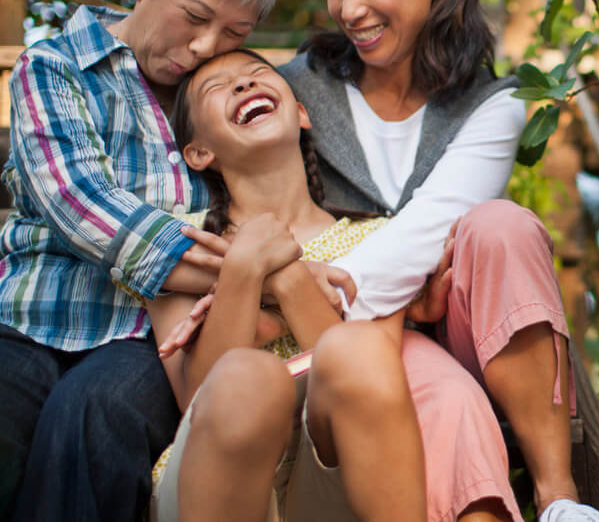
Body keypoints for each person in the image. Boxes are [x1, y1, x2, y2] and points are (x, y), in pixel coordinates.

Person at [277, 0, 599, 522]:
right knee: (435, 386)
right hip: (346, 349)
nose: (349, 10)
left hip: (457, 330)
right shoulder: (300, 90)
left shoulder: (493, 105)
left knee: (501, 226)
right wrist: (401, 299)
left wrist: (358, 279)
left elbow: (434, 226)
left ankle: (558, 498)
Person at [0, 0, 281, 521]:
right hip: (27, 318)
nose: (205, 47)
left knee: (98, 414)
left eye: (235, 34)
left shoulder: (213, 100)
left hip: (147, 334)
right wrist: (257, 273)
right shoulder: (55, 66)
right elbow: (80, 204)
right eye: (195, 16)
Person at [150, 48, 520, 522]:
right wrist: (244, 264)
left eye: (258, 74)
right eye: (217, 88)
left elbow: (364, 381)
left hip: (329, 472)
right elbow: (197, 394)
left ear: (301, 113)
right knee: (249, 379)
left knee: (361, 347)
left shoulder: (382, 242)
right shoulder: (181, 241)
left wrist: (285, 274)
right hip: (216, 478)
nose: (243, 84)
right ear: (200, 152)